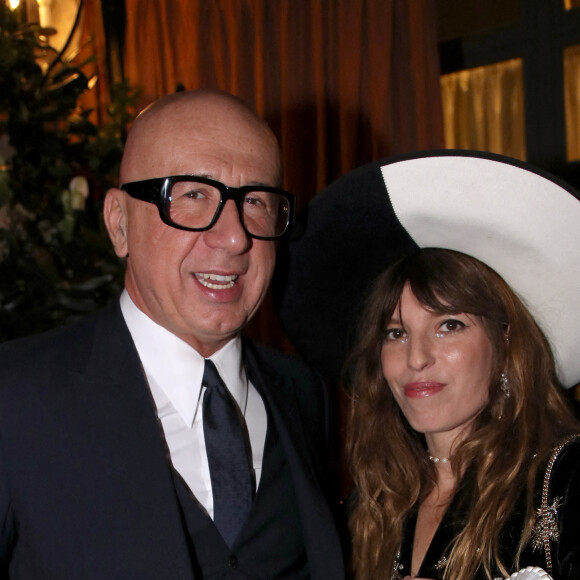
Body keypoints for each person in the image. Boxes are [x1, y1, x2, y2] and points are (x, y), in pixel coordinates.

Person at [0, 89, 344, 579]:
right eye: (193, 194)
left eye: (257, 202)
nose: (235, 237)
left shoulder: (305, 395)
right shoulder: (15, 399)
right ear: (119, 224)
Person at [273, 151, 580, 579]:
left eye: (449, 325)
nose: (416, 358)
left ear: (504, 338)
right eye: (396, 333)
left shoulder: (565, 479)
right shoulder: (372, 507)